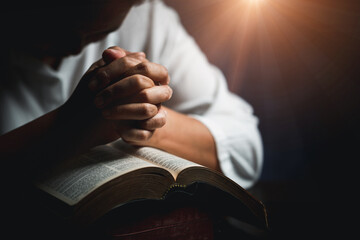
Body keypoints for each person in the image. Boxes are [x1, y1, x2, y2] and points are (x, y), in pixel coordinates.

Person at [1, 0, 262, 211]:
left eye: (99, 34)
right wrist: (67, 130)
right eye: (55, 25)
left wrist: (140, 115)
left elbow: (246, 148)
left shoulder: (149, 19)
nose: (75, 48)